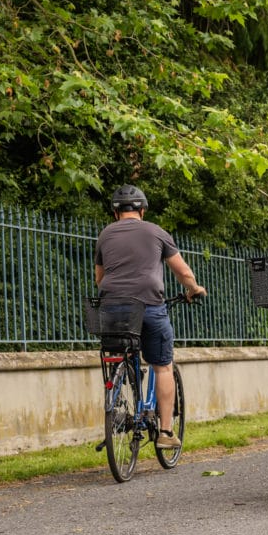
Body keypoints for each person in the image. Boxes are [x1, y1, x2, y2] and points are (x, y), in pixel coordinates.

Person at [94, 185, 206, 448]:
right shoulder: (156, 231)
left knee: (124, 351)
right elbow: (183, 273)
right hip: (149, 306)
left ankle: (122, 397)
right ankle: (166, 433)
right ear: (142, 210)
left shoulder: (105, 234)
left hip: (113, 309)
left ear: (115, 213)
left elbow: (99, 279)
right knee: (163, 365)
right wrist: (194, 289)